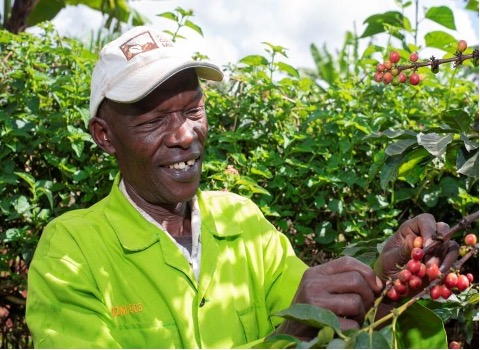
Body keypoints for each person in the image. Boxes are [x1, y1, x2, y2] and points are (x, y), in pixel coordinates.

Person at [25, 26, 459, 348]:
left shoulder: (242, 222)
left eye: (193, 110)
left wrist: (385, 287)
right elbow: (295, 330)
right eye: (154, 120)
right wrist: (287, 334)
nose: (184, 135)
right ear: (105, 136)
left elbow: (331, 334)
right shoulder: (72, 251)